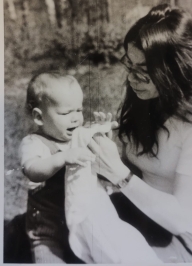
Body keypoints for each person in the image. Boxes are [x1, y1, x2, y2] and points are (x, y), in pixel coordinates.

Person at [89, 4, 192, 263]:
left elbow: (182, 220)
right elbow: (141, 167)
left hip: (183, 237)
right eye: (129, 65)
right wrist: (108, 153)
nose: (132, 79)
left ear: (175, 71)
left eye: (144, 71)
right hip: (141, 215)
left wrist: (119, 174)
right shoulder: (146, 99)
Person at [19, 71, 161, 264]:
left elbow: (96, 158)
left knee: (97, 247)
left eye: (78, 110)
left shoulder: (77, 135)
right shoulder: (34, 142)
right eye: (65, 113)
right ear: (39, 117)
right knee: (48, 255)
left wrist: (99, 133)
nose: (76, 118)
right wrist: (62, 157)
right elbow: (33, 170)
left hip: (79, 218)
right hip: (48, 225)